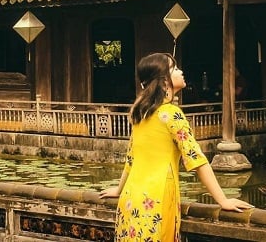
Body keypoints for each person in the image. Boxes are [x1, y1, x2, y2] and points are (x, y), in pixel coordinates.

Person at [100, 52, 253, 241]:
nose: (181, 71)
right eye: (175, 68)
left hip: (131, 199)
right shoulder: (172, 114)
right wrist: (222, 200)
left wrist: (118, 190)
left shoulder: (141, 114)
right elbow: (196, 159)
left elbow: (131, 159)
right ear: (164, 82)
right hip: (156, 199)